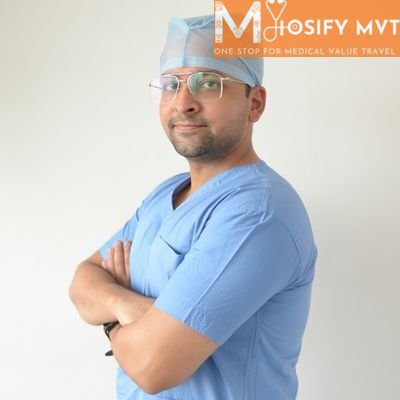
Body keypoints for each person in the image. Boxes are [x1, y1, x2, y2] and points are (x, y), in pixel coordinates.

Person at [69, 14, 318, 400]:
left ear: (254, 103)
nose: (183, 103)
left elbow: (153, 367)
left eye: (209, 84)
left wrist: (111, 323)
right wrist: (126, 305)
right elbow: (82, 283)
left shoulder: (258, 212)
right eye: (171, 84)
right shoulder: (164, 196)